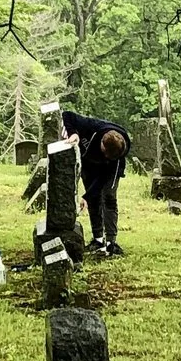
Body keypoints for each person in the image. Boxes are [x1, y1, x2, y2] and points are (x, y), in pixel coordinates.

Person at [63, 110, 132, 257]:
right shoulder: (92, 126)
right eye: (105, 153)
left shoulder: (116, 157)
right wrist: (73, 133)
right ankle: (98, 239)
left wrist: (86, 196)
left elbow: (102, 179)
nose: (106, 157)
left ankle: (111, 243)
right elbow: (67, 115)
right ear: (102, 142)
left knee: (109, 198)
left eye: (109, 156)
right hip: (88, 163)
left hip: (109, 170)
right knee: (93, 200)